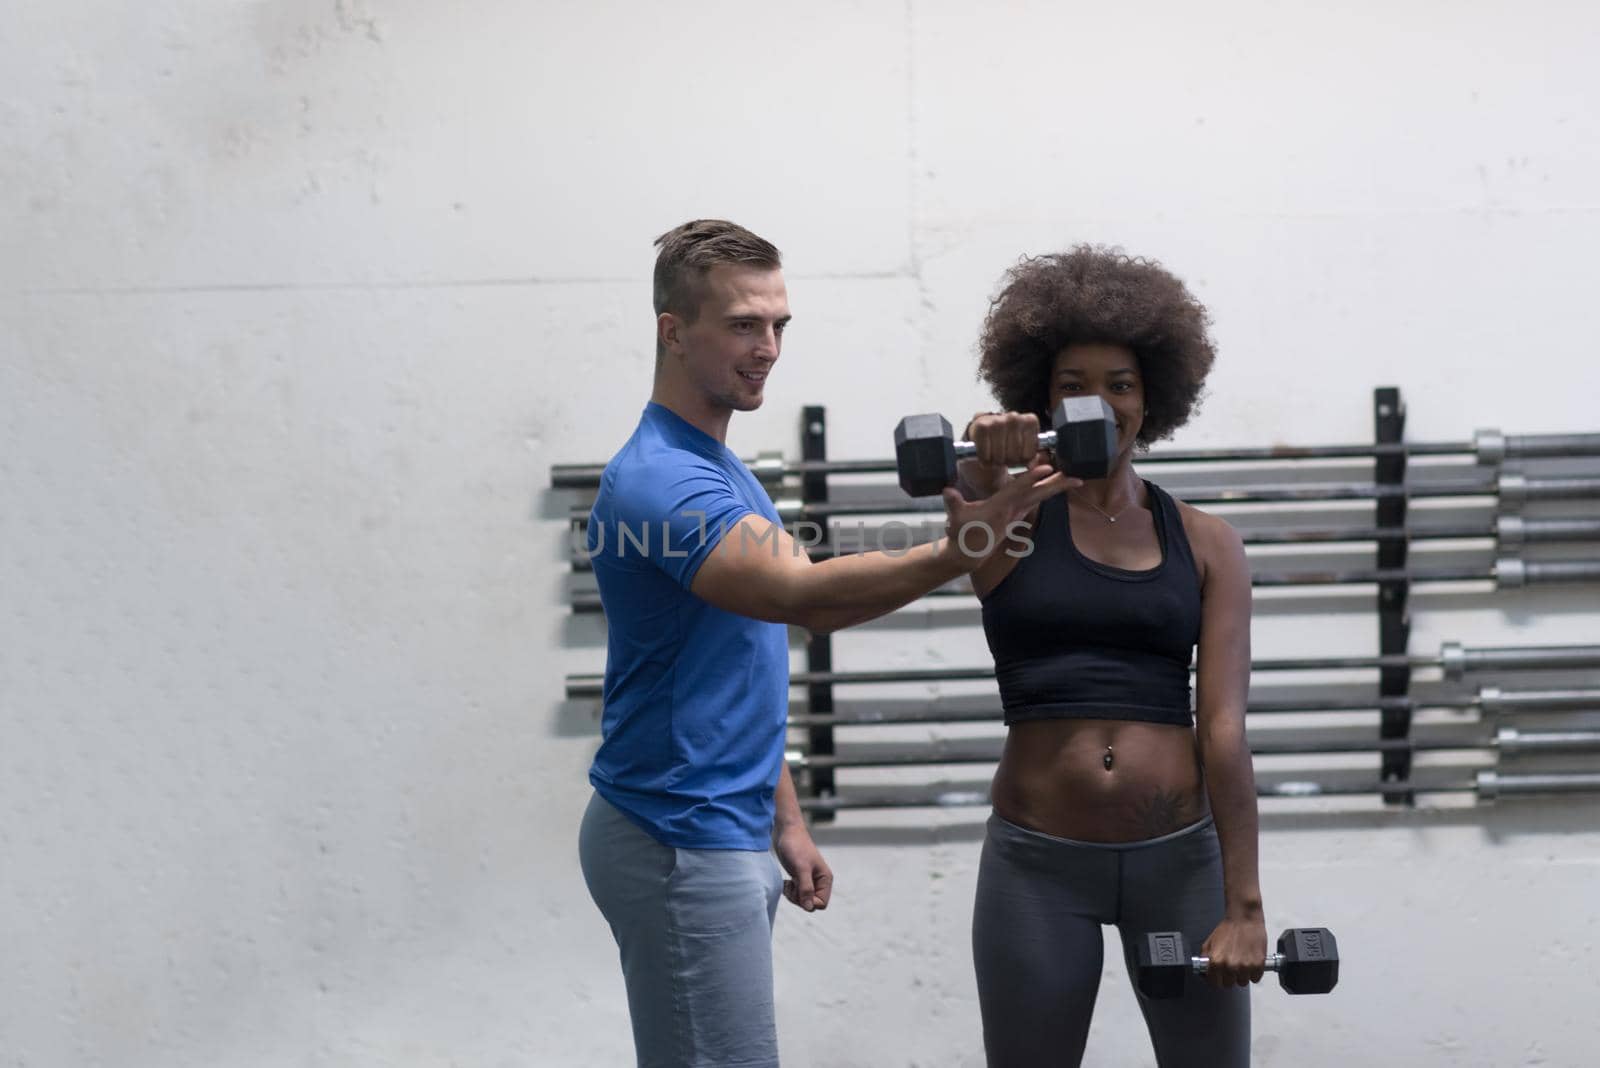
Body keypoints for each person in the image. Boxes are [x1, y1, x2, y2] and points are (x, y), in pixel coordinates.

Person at [577, 219, 1075, 1068]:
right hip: (678, 837)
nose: (768, 346)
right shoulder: (665, 479)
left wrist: (788, 819)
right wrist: (964, 549)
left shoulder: (718, 464)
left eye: (778, 326)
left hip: (719, 823)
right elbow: (804, 599)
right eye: (743, 324)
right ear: (672, 330)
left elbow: (731, 659)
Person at [959, 245, 1266, 1067]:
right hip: (1037, 865)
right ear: (1039, 398)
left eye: (1120, 382)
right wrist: (990, 459)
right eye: (1072, 383)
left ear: (1150, 398)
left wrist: (1245, 906)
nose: (1099, 401)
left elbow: (1225, 731)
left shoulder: (1207, 542)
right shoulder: (1008, 516)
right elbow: (966, 524)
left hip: (1180, 860)